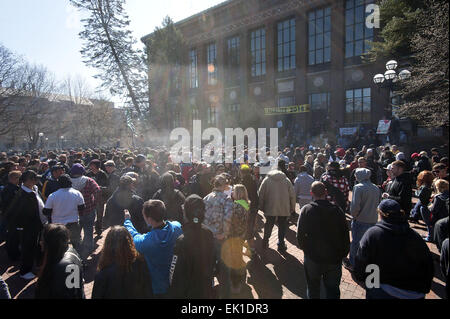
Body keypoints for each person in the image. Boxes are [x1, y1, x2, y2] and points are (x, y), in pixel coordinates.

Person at [354, 199, 434, 299]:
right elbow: (428, 265)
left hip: (383, 290)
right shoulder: (415, 236)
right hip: (414, 293)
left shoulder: (373, 234)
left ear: (381, 214)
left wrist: (362, 278)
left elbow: (362, 260)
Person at [297, 182, 350, 299]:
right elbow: (345, 235)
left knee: (313, 288)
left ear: (311, 193)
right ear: (326, 192)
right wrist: (343, 253)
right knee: (332, 289)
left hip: (313, 257)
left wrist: (306, 250)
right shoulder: (338, 211)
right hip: (334, 258)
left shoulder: (306, 210)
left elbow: (300, 235)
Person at [124, 200, 183, 298]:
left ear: (150, 220)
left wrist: (127, 220)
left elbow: (133, 236)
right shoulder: (177, 227)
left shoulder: (146, 242)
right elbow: (174, 223)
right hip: (177, 281)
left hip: (159, 287)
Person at [169, 195, 216, 299]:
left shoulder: (182, 240)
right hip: (205, 288)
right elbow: (213, 261)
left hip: (189, 292)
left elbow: (175, 273)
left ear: (186, 212)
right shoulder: (209, 233)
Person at [92, 226, 153, 299]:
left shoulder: (103, 274)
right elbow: (148, 291)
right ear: (129, 242)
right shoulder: (140, 263)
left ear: (108, 245)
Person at [8, 170, 47, 280]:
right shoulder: (22, 194)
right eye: (34, 179)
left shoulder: (33, 189)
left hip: (37, 225)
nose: (37, 181)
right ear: (28, 180)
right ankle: (25, 271)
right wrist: (22, 227)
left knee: (36, 246)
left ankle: (35, 265)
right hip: (28, 227)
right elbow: (19, 214)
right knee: (28, 248)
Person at [203, 175, 234, 298]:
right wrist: (224, 233)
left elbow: (202, 217)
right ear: (223, 185)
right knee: (224, 266)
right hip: (220, 237)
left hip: (208, 237)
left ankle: (209, 290)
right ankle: (225, 293)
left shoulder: (206, 198)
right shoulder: (227, 199)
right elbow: (227, 218)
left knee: (209, 264)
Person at [35, 224, 85, 299]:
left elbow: (70, 295)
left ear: (51, 243)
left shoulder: (64, 266)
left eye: (43, 239)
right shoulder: (70, 251)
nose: (40, 242)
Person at [344, 168, 380, 271]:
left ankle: (353, 264)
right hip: (373, 219)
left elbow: (355, 206)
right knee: (368, 244)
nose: (355, 176)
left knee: (356, 243)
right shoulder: (376, 188)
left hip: (361, 220)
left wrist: (354, 216)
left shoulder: (358, 187)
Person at [258, 162, 296, 253]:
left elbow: (261, 194)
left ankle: (265, 240)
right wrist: (292, 208)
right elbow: (292, 195)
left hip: (270, 206)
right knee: (282, 226)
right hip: (284, 207)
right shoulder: (286, 180)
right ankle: (281, 244)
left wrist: (261, 206)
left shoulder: (266, 180)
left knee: (269, 224)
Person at [42, 175, 85, 253]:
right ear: (70, 183)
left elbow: (46, 211)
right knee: (76, 243)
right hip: (73, 222)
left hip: (58, 224)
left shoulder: (53, 195)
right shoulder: (77, 193)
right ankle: (80, 261)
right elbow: (82, 208)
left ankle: (59, 261)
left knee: (59, 245)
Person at [70, 163, 101, 261]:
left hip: (74, 212)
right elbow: (98, 190)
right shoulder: (88, 180)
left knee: (76, 233)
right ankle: (87, 250)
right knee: (88, 231)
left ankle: (77, 251)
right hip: (89, 210)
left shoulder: (68, 182)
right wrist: (95, 202)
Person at [239, 164, 259, 256]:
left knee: (245, 228)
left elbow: (243, 197)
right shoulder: (253, 180)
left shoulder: (243, 182)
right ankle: (252, 248)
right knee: (250, 227)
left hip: (246, 206)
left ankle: (247, 249)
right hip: (254, 205)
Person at [87, 159, 109, 235]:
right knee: (90, 214)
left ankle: (98, 229)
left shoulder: (102, 174)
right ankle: (90, 229)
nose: (91, 167)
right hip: (90, 197)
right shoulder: (88, 174)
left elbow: (107, 186)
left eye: (92, 165)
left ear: (97, 166)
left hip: (100, 197)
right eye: (90, 165)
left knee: (99, 214)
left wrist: (99, 188)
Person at [0, 170, 21, 242]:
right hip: (9, 214)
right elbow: (7, 202)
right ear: (12, 178)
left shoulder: (15, 188)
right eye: (18, 178)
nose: (19, 180)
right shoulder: (9, 189)